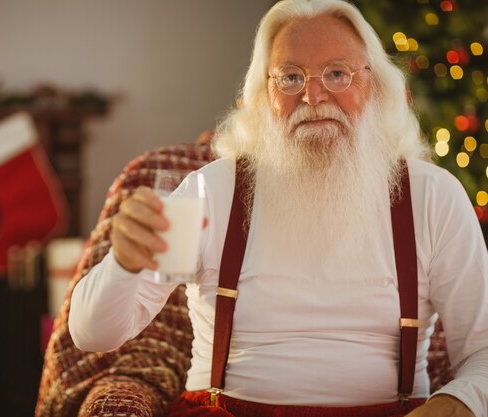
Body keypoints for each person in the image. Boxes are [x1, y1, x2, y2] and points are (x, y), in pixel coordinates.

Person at [68, 0, 488, 416]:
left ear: (375, 88)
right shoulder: (209, 192)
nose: (312, 95)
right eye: (289, 77)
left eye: (337, 73)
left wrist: (456, 402)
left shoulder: (434, 197)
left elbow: (484, 353)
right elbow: (94, 335)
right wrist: (123, 264)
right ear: (261, 97)